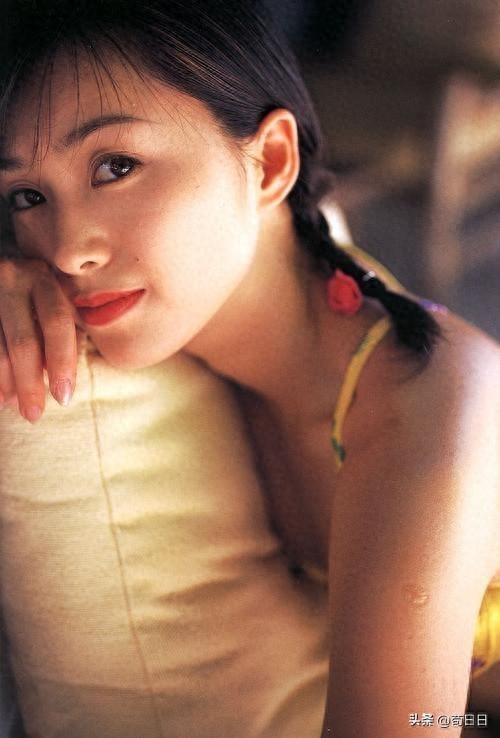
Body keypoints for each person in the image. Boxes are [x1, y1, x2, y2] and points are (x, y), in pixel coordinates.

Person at [0, 1, 498, 736]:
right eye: (29, 196)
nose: (67, 250)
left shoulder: (431, 403)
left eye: (115, 166)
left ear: (270, 162)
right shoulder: (224, 340)